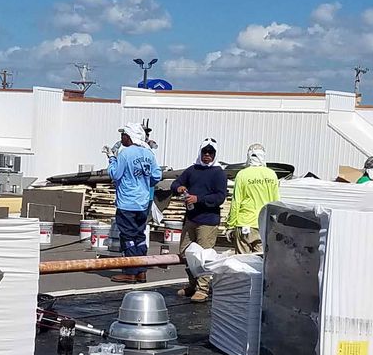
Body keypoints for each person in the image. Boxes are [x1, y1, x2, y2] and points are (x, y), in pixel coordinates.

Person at [173, 138, 228, 301]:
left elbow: (220, 197)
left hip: (208, 220)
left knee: (205, 255)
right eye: (205, 152)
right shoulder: (192, 170)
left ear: (215, 155)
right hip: (191, 218)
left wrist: (199, 199)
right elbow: (176, 182)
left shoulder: (218, 173)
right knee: (185, 252)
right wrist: (179, 187)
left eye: (211, 153)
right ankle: (192, 283)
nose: (207, 156)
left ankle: (202, 288)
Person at [107, 124, 162, 282]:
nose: (121, 138)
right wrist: (144, 183)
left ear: (129, 136)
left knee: (128, 237)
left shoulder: (125, 154)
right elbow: (156, 175)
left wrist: (112, 159)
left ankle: (130, 271)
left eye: (123, 135)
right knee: (139, 236)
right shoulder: (148, 153)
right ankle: (141, 270)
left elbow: (115, 174)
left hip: (127, 202)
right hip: (143, 202)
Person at [227, 144, 280, 253]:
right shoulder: (272, 175)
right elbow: (276, 202)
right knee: (260, 260)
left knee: (242, 261)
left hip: (245, 223)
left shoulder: (242, 175)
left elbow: (236, 202)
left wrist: (231, 225)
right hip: (264, 224)